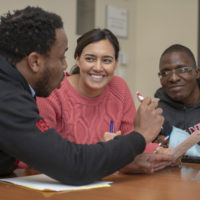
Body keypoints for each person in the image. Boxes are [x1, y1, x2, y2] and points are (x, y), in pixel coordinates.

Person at [0, 6, 170, 185]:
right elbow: (73, 165)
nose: (65, 66)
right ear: (35, 62)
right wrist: (141, 135)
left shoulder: (13, 86)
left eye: (106, 60)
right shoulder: (7, 97)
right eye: (60, 58)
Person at [36, 28, 172, 173]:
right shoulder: (52, 91)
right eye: (90, 59)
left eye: (107, 60)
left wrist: (161, 152)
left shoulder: (119, 87)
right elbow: (40, 151)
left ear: (116, 62)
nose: (98, 67)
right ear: (77, 58)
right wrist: (109, 151)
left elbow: (132, 138)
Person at [154, 44, 200, 154]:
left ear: (197, 72)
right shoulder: (157, 114)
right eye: (165, 73)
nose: (173, 78)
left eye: (182, 69)